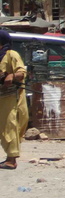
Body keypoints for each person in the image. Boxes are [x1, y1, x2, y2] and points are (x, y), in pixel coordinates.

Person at [0, 30, 28, 170]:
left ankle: (11, 160)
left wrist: (11, 76)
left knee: (9, 126)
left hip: (10, 98)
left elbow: (21, 72)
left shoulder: (11, 55)